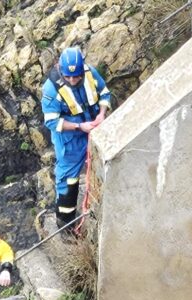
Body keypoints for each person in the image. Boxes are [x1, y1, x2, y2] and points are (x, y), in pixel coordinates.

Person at [41, 46, 111, 231]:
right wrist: (79, 126)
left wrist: (102, 114)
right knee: (68, 180)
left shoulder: (90, 74)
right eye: (68, 77)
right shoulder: (51, 88)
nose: (73, 80)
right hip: (70, 141)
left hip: (95, 128)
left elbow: (104, 93)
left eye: (76, 76)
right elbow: (51, 121)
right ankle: (65, 224)